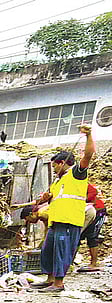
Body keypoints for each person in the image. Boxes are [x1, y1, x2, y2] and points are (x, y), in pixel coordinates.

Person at [28, 124, 95, 292]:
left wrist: (88, 135)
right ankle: (50, 279)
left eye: (55, 166)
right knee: (48, 250)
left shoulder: (76, 173)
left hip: (69, 220)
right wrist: (46, 198)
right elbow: (54, 198)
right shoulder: (58, 181)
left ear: (61, 163)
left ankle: (59, 283)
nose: (55, 169)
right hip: (56, 221)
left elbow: (88, 154)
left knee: (62, 252)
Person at [77, 183, 106, 272]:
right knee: (77, 236)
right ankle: (68, 262)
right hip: (83, 212)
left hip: (97, 210)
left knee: (92, 236)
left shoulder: (80, 180)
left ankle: (93, 264)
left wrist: (83, 200)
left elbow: (93, 191)